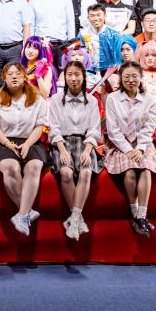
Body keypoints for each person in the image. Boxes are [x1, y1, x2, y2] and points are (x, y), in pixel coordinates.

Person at [104, 61, 156, 238]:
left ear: (141, 78)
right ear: (121, 78)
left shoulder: (148, 100)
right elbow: (113, 130)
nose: (130, 80)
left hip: (142, 143)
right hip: (119, 144)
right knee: (130, 172)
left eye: (134, 76)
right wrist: (128, 149)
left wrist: (141, 148)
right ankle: (134, 212)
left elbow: (148, 127)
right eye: (126, 76)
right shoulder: (112, 99)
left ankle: (141, 216)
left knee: (146, 169)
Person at [0, 61, 49, 237]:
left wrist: (27, 144)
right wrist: (8, 144)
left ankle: (21, 216)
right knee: (11, 167)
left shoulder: (37, 98)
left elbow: (39, 126)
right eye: (10, 74)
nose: (14, 77)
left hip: (30, 140)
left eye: (18, 73)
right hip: (3, 141)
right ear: (4, 78)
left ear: (24, 76)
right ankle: (27, 212)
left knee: (33, 167)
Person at [49, 59, 103, 241]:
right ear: (65, 77)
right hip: (62, 142)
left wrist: (87, 151)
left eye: (77, 75)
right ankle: (78, 219)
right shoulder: (56, 99)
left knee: (86, 173)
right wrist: (62, 150)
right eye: (70, 75)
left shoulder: (92, 101)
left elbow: (94, 130)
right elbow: (54, 128)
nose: (73, 78)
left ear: (83, 77)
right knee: (65, 172)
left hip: (84, 142)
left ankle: (73, 219)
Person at [78, 4, 134, 89]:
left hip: (110, 73)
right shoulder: (83, 34)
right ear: (88, 18)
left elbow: (120, 58)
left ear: (105, 15)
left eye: (98, 15)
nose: (96, 18)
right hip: (89, 72)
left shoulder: (114, 34)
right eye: (92, 16)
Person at [29, 0, 72, 71]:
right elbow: (32, 27)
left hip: (62, 46)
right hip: (42, 46)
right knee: (42, 75)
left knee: (63, 75)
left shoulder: (65, 0)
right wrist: (32, 47)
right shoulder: (33, 1)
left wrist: (70, 47)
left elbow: (70, 24)